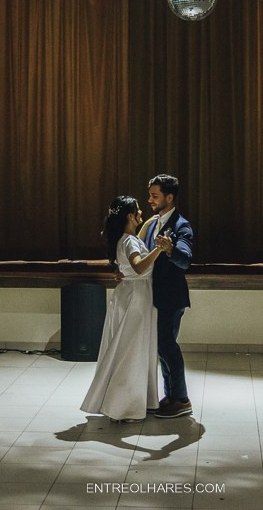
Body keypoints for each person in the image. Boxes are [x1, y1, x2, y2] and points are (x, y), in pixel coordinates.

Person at [81, 196, 171, 422]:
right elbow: (139, 267)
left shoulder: (124, 238)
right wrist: (159, 249)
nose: (141, 213)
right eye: (138, 211)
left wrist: (149, 224)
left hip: (129, 293)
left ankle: (126, 400)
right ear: (130, 216)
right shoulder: (129, 241)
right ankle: (126, 405)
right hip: (137, 297)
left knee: (127, 347)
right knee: (132, 349)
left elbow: (134, 247)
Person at [141, 174, 195, 419]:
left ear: (169, 197)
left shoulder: (182, 225)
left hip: (171, 297)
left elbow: (184, 260)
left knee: (167, 346)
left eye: (155, 195)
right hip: (154, 295)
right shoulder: (153, 223)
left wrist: (171, 249)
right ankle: (171, 395)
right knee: (162, 347)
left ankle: (181, 399)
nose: (150, 200)